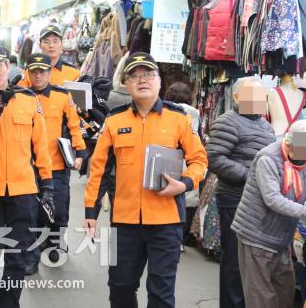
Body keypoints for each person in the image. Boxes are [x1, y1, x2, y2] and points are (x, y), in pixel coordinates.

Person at [84, 52, 208, 308]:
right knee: (120, 287)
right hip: (124, 221)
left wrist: (184, 183)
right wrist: (90, 211)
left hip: (167, 221)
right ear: (126, 84)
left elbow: (199, 161)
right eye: (135, 76)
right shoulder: (114, 120)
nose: (142, 80)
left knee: (161, 293)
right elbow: (99, 168)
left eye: (148, 74)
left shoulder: (179, 118)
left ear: (159, 81)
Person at [0, 43, 54, 308]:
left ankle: (8, 303)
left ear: (8, 66)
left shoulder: (28, 100)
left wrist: (48, 185)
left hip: (23, 191)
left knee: (18, 257)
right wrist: (0, 103)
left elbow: (41, 145)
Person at [232, 120, 306, 308]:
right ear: (290, 144)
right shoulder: (268, 158)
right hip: (256, 236)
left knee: (284, 292)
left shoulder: (305, 159)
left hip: (281, 238)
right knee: (261, 299)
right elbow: (273, 199)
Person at [206, 76, 276, 308]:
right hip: (234, 199)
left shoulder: (266, 126)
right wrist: (252, 175)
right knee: (234, 261)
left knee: (253, 261)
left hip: (259, 201)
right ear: (236, 97)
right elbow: (215, 158)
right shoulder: (227, 121)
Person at [22, 53, 87, 276]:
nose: (38, 75)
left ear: (49, 73)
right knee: (31, 212)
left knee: (58, 209)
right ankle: (31, 257)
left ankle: (54, 242)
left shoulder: (62, 96)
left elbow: (74, 124)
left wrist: (80, 153)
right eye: (34, 71)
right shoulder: (20, 96)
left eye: (42, 71)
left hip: (57, 165)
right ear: (27, 74)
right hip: (28, 166)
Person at [163, 82, 202, 251]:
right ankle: (179, 239)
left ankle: (169, 234)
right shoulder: (195, 114)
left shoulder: (166, 111)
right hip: (188, 159)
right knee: (185, 199)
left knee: (167, 197)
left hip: (170, 157)